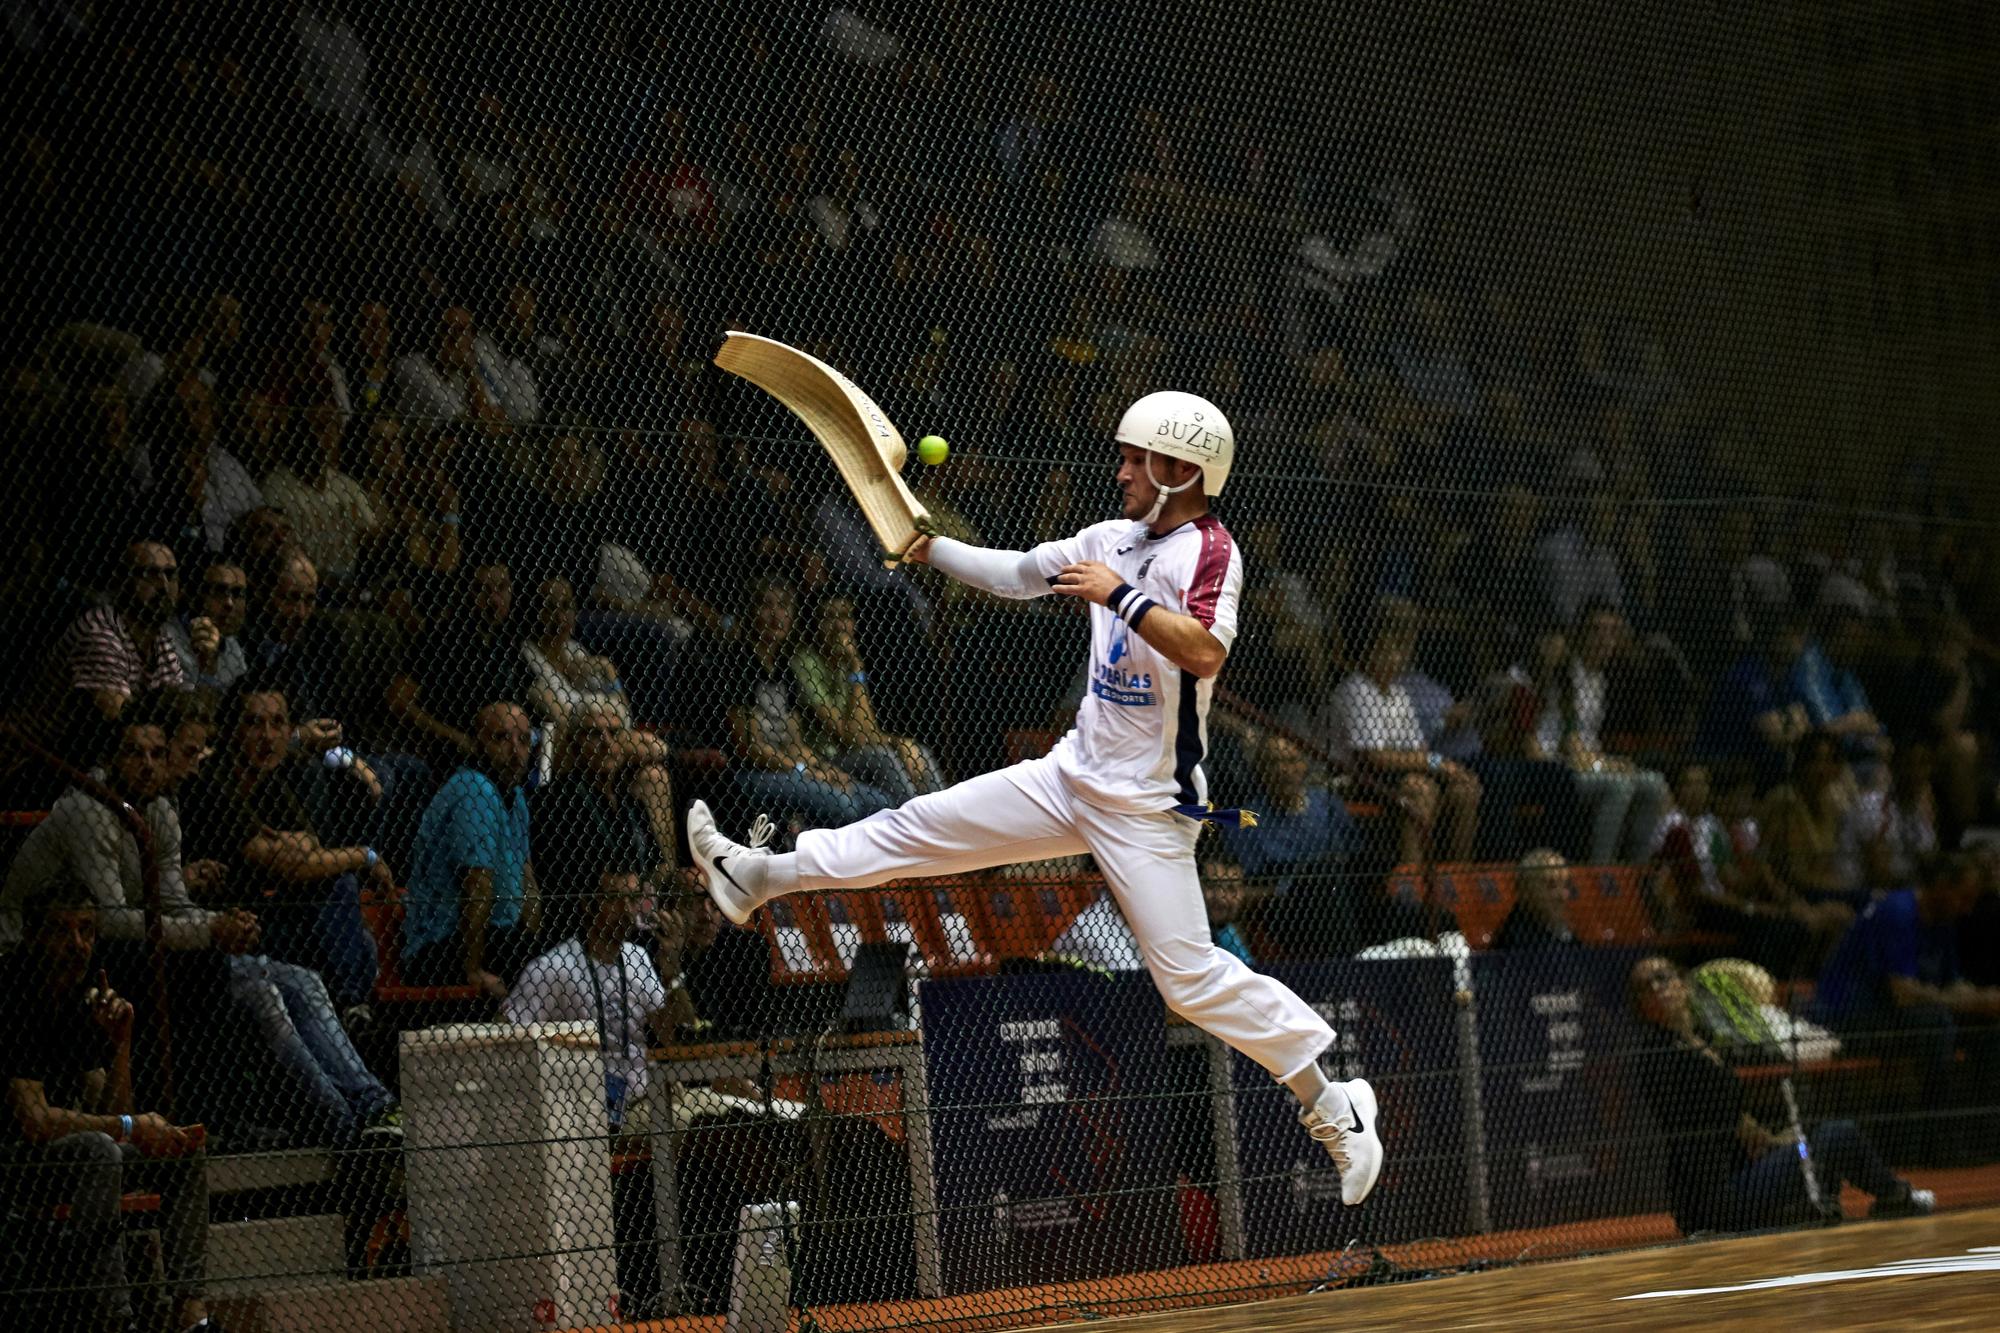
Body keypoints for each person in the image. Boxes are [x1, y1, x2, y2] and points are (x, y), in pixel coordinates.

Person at [685, 391, 1384, 1205]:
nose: (1120, 469)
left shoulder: (1211, 552)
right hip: (1068, 774)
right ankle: (758, 876)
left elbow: (1202, 653)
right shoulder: (1109, 538)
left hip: (1147, 809)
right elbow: (1016, 574)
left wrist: (1119, 596)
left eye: (1135, 458)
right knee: (919, 824)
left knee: (1187, 980)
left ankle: (1334, 1107)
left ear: (1179, 469)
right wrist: (928, 546)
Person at [1, 876, 217, 1332]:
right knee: (101, 1151)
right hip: (18, 1164)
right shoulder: (16, 989)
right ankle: (113, 1320)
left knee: (181, 1150)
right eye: (62, 931)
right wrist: (130, 1126)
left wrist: (120, 1043)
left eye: (86, 930)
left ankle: (191, 1312)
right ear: (35, 935)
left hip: (71, 1157)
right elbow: (35, 1123)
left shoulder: (79, 991)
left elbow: (110, 1104)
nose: (77, 944)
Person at [1628, 955, 1931, 1235]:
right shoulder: (1661, 1054)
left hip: (1745, 1173)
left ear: (1681, 984)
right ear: (1641, 1005)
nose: (1657, 988)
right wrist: (1769, 1138)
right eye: (1646, 986)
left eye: (1662, 977)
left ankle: (1831, 1203)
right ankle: (1896, 1195)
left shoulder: (1703, 1040)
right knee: (1835, 1137)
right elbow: (1714, 1118)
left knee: (1811, 1144)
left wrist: (1773, 1139)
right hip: (1718, 1198)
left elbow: (1736, 1121)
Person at [1810, 853, 2000, 1160]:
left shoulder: (1943, 921)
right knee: (1936, 1024)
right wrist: (1973, 1002)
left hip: (1893, 1016)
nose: (1967, 909)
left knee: (1988, 1028)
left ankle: (1986, 1136)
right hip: (1846, 1017)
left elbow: (1952, 983)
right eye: (1962, 898)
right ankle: (1935, 1141)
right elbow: (1903, 994)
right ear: (1941, 886)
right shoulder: (1898, 912)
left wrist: (1984, 998)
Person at [724, 578, 893, 832]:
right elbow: (751, 747)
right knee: (845, 806)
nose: (776, 614)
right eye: (766, 605)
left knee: (880, 802)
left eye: (783, 606)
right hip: (749, 774)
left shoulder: (783, 668)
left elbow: (795, 741)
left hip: (789, 767)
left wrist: (825, 769)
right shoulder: (738, 663)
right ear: (751, 611)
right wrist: (803, 770)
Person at [1331, 599, 1483, 863]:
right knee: (1420, 789)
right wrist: (1437, 765)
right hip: (1356, 778)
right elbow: (1374, 758)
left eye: (1399, 651)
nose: (1397, 658)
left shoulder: (1399, 694)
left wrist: (1441, 764)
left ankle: (1459, 873)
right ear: (1369, 652)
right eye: (1388, 651)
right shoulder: (1356, 689)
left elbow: (1422, 750)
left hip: (1398, 774)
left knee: (1465, 789)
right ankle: (1412, 875)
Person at [404, 700, 540, 996]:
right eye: (501, 738)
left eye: (524, 740)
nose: (515, 750)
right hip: (444, 943)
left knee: (551, 960)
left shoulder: (515, 797)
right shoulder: (473, 789)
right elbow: (476, 885)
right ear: (479, 743)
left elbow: (527, 881)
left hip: (496, 935)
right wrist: (472, 970)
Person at [791, 593, 946, 805]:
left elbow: (867, 730)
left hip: (857, 750)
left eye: (845, 616)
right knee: (884, 758)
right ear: (815, 624)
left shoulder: (845, 661)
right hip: (827, 758)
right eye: (829, 617)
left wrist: (900, 742)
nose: (838, 626)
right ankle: (917, 824)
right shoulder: (805, 662)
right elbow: (848, 736)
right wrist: (856, 669)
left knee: (919, 753)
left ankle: (942, 819)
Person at [1492, 848, 1577, 950]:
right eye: (1551, 886)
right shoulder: (1518, 939)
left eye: (1565, 885)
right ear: (1527, 891)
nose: (1562, 896)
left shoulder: (1562, 932)